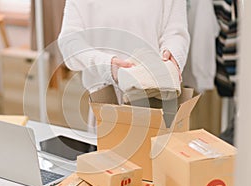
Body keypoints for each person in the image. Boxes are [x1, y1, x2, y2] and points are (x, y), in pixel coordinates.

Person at [58, 0, 190, 131]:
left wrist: (172, 54)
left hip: (158, 97)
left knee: (162, 149)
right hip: (106, 100)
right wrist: (106, 64)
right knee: (107, 149)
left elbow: (176, 32)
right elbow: (69, 41)